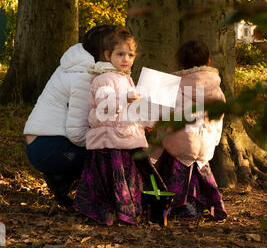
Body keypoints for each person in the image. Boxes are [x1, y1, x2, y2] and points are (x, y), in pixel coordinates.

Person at [73, 25, 165, 226]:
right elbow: (105, 105)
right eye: (120, 54)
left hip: (126, 136)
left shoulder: (127, 78)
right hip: (110, 139)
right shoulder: (104, 78)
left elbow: (129, 109)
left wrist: (145, 120)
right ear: (108, 55)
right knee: (111, 180)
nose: (126, 59)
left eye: (130, 55)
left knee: (129, 178)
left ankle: (128, 211)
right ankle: (109, 212)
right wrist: (127, 98)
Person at [23, 26, 109, 210]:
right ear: (106, 53)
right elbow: (77, 133)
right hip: (49, 146)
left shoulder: (75, 65)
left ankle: (64, 180)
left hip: (41, 143)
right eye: (118, 51)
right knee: (107, 153)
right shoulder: (84, 75)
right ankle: (72, 187)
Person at [155, 40, 227, 221]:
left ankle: (180, 206)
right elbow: (219, 116)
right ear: (209, 62)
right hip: (205, 140)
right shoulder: (216, 88)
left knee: (177, 173)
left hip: (179, 142)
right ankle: (207, 204)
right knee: (201, 173)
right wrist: (215, 138)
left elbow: (163, 115)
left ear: (180, 63)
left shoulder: (172, 85)